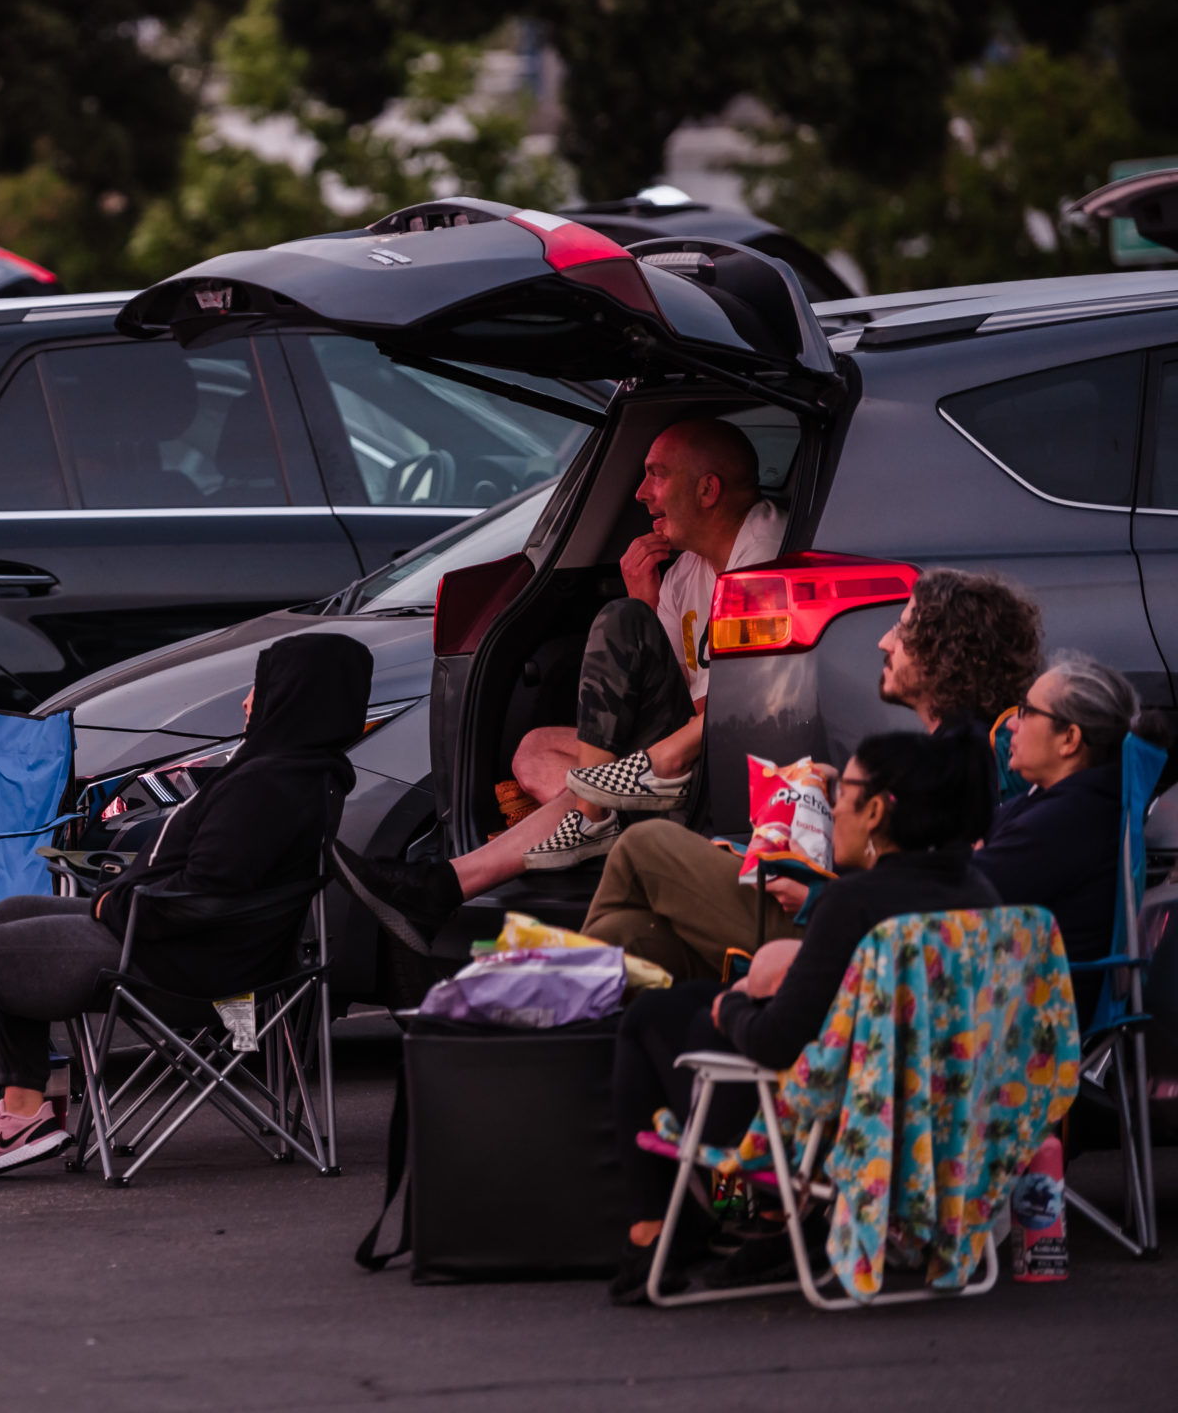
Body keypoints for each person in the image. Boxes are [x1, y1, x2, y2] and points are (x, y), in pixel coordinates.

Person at [0, 632, 370, 1190]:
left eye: (261, 688)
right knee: (8, 914)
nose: (247, 702)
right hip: (209, 950)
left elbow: (201, 894)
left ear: (293, 696)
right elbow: (213, 877)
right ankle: (25, 1113)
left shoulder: (268, 785)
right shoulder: (305, 773)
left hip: (176, 963)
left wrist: (114, 899)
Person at [331, 419, 785, 953]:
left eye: (656, 476)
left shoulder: (764, 548)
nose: (641, 494)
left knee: (617, 625)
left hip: (726, 754)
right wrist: (644, 596)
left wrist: (641, 764)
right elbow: (659, 692)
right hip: (678, 760)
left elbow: (732, 703)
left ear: (708, 490)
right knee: (535, 750)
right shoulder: (685, 571)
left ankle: (520, 851)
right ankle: (484, 869)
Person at [605, 731, 999, 1302]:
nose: (833, 804)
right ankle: (755, 1224)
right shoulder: (979, 895)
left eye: (845, 790)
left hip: (821, 1128)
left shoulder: (855, 904)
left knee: (669, 1022)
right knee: (675, 1002)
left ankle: (688, 1228)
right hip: (935, 1112)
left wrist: (735, 1003)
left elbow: (773, 1041)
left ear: (877, 810)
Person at [554, 570, 1044, 982]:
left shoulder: (974, 758)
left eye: (901, 628)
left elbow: (929, 901)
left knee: (644, 846)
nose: (884, 641)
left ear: (945, 651)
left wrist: (818, 895)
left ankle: (549, 1000)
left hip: (841, 941)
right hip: (838, 922)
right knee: (630, 936)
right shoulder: (953, 750)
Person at [980, 653, 1136, 1026]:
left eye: (1027, 711)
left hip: (1026, 1018)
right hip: (1004, 985)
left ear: (1069, 738)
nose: (1012, 724)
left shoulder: (1073, 817)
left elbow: (961, 887)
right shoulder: (1051, 803)